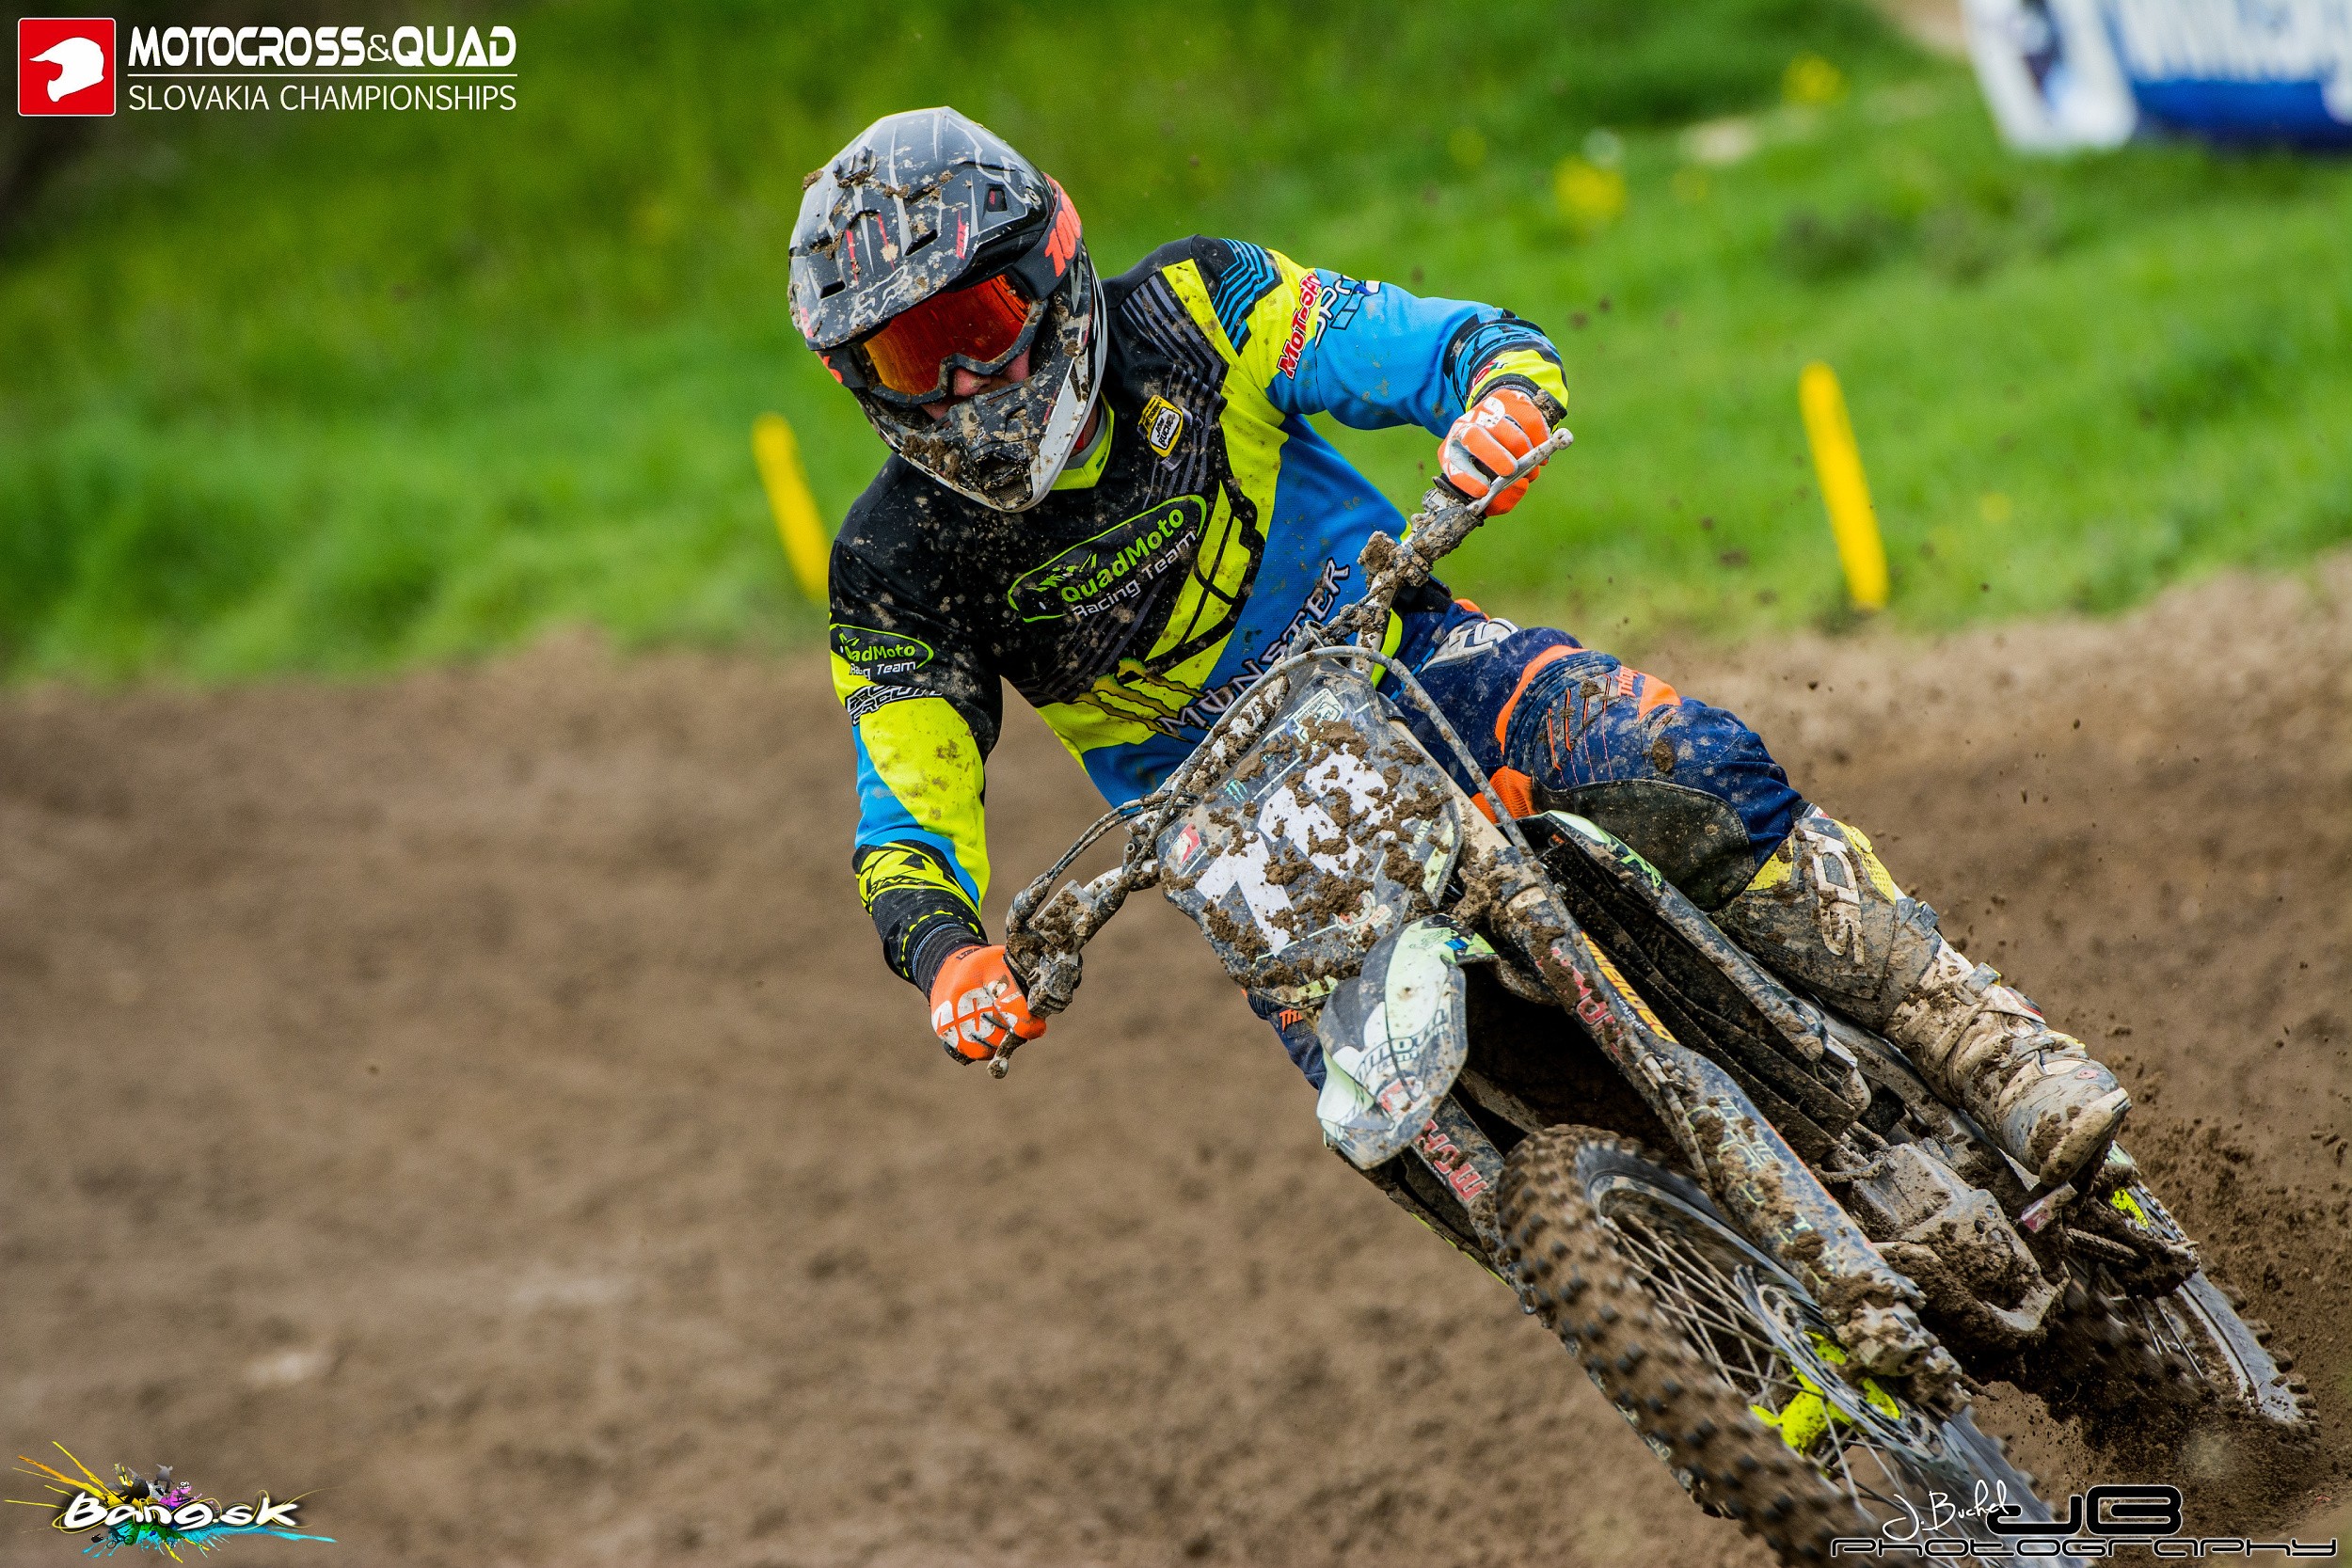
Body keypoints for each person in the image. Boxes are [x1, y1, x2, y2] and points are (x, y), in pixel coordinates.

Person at [793, 108, 2128, 1188]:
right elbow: (905, 810)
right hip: (1236, 849)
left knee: (1673, 759)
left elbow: (1438, 343)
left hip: (1415, 669)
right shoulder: (891, 564)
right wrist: (951, 955)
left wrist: (1497, 399)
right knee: (1421, 1144)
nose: (960, 386)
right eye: (910, 358)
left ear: (1053, 271)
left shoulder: (1197, 307)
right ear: (858, 383)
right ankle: (1738, 1363)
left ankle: (1977, 1036)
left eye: (973, 328)